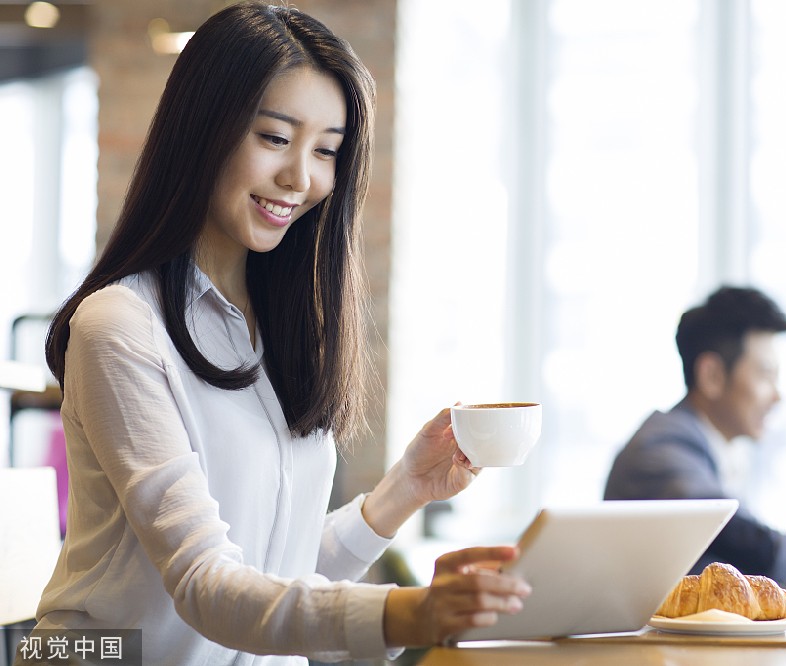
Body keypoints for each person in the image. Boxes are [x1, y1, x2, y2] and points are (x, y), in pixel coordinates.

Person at [24, 3, 530, 664]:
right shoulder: (121, 328)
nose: (301, 178)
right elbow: (206, 586)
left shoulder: (280, 331)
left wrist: (406, 487)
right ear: (205, 129)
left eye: (326, 150)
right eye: (274, 137)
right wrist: (410, 610)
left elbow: (274, 572)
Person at [605, 286, 786, 585]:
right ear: (712, 376)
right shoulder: (663, 449)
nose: (777, 396)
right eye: (765, 375)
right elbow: (762, 551)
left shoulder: (717, 448)